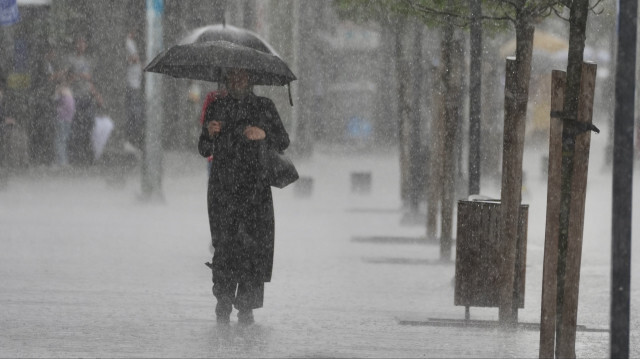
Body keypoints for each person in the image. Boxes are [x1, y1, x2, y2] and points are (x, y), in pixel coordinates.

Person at [198, 68, 290, 325]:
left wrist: (264, 134)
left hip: (255, 190)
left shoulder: (264, 106)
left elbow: (283, 141)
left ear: (251, 78)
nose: (237, 80)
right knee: (225, 245)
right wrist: (209, 132)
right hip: (222, 189)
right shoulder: (217, 106)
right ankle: (223, 300)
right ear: (227, 79)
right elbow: (203, 147)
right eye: (233, 76)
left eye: (242, 76)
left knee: (254, 247)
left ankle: (246, 305)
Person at [67, 36, 103, 167]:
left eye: (84, 43)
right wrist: (79, 76)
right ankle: (75, 157)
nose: (81, 45)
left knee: (89, 125)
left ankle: (89, 156)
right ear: (75, 45)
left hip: (87, 97)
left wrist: (96, 94)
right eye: (79, 43)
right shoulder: (70, 60)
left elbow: (89, 80)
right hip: (75, 97)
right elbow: (67, 77)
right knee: (76, 127)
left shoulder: (87, 61)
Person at [124, 28, 144, 151]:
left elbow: (136, 61)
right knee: (133, 112)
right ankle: (130, 139)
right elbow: (129, 59)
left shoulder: (132, 43)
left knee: (137, 112)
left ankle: (134, 140)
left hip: (136, 82)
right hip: (131, 83)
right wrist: (134, 59)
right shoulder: (126, 42)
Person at [53, 71, 75, 168]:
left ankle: (62, 160)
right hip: (62, 117)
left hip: (67, 118)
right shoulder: (59, 89)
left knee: (64, 139)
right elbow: (55, 100)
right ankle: (61, 161)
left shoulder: (67, 89)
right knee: (61, 139)